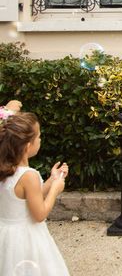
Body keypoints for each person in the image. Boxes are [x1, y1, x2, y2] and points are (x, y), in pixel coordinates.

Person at [0, 111, 70, 275]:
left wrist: (52, 179)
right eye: (38, 137)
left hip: (6, 236)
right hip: (26, 239)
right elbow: (39, 214)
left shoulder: (6, 169)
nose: (40, 140)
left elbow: (23, 198)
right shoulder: (28, 175)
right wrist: (55, 189)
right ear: (28, 146)